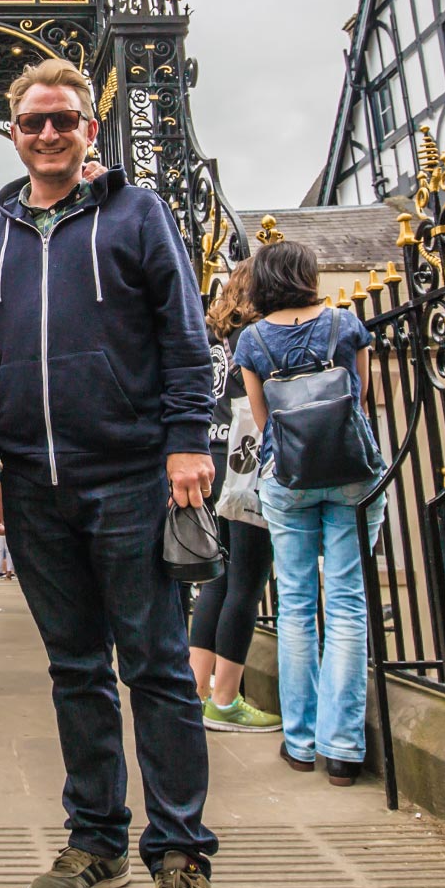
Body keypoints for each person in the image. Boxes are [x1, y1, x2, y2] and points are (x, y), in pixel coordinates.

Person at [0, 58, 219, 888]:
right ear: (14, 133)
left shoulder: (140, 212)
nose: (48, 133)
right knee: (75, 667)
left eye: (64, 120)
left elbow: (185, 333)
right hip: (35, 485)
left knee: (154, 662)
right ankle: (96, 838)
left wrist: (188, 437)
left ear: (89, 130)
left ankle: (180, 845)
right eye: (34, 122)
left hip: (132, 474)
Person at [234, 239, 385, 786]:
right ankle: (342, 749)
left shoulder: (251, 340)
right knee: (346, 603)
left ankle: (299, 743)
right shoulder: (345, 325)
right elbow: (360, 398)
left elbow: (262, 418)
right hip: (349, 472)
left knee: (295, 606)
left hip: (289, 477)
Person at [187, 261, 281, 733]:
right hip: (246, 463)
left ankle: (196, 689)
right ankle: (225, 700)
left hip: (208, 459)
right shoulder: (263, 336)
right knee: (247, 583)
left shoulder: (207, 334)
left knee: (216, 582)